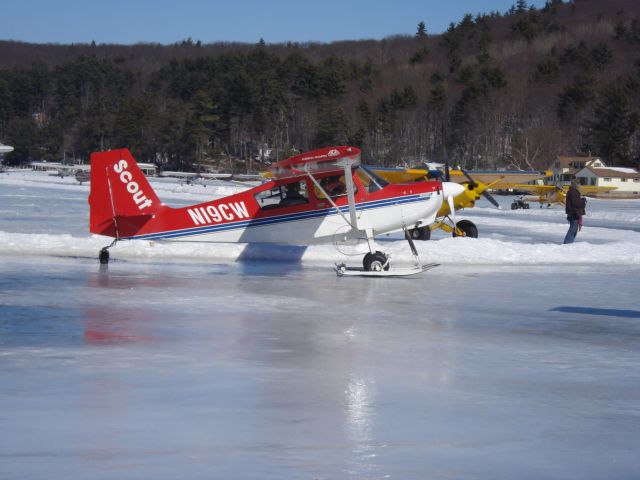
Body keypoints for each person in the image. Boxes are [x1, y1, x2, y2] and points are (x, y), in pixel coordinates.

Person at [563, 178, 587, 244]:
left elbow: (575, 202)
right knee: (572, 230)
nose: (580, 185)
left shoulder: (572, 191)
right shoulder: (573, 191)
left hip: (573, 213)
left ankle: (569, 243)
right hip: (573, 213)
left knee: (574, 229)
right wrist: (583, 201)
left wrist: (581, 200)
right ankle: (567, 243)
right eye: (579, 184)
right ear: (576, 184)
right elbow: (576, 203)